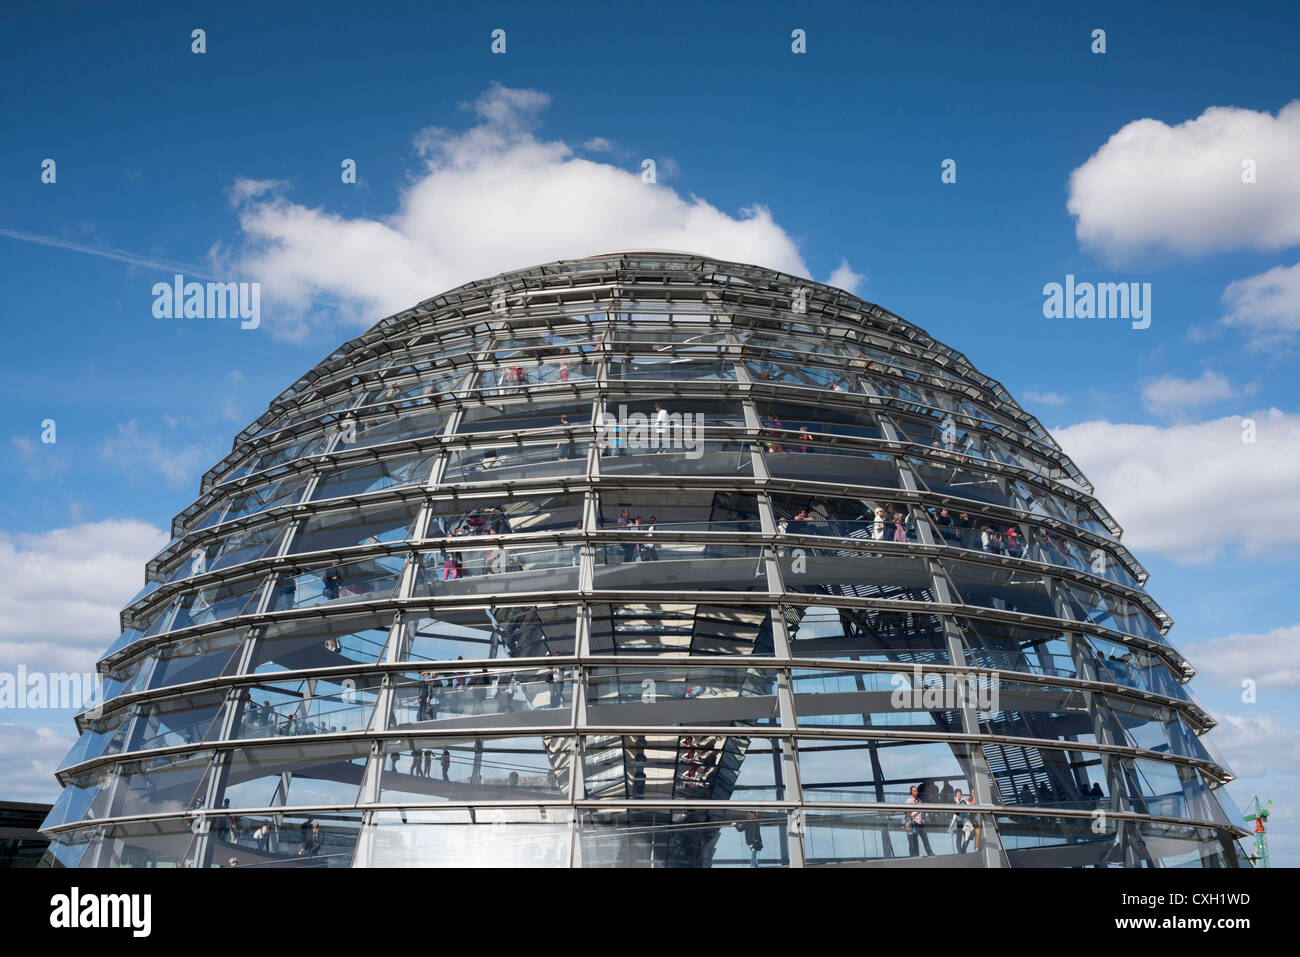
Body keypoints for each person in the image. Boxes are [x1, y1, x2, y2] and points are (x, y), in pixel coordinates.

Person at [903, 785, 935, 857]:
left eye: (916, 790)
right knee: (914, 839)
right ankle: (915, 854)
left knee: (925, 838)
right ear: (911, 792)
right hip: (913, 823)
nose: (916, 792)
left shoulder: (919, 801)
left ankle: (930, 853)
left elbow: (922, 810)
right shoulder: (908, 801)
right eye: (914, 791)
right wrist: (912, 818)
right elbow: (906, 813)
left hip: (920, 823)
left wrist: (923, 818)